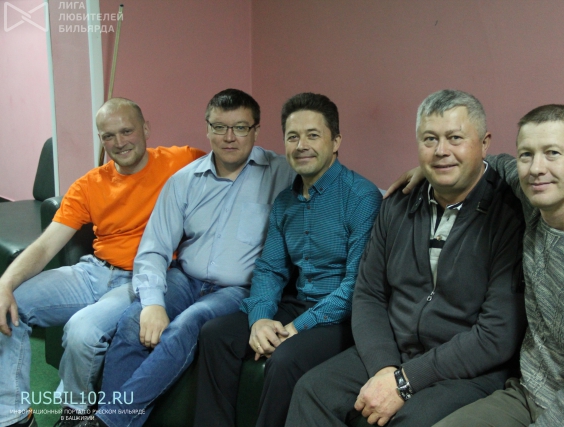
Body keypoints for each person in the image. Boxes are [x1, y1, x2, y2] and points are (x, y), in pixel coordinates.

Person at [286, 89, 527, 427]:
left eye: (455, 138)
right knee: (313, 391)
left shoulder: (511, 214)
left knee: (411, 422)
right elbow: (368, 293)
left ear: (484, 143)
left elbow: (496, 335)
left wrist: (405, 381)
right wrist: (384, 368)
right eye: (430, 139)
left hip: (467, 369)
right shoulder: (398, 203)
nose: (441, 150)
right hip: (394, 352)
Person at [81, 89, 296, 427]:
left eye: (240, 127)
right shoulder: (184, 180)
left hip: (238, 289)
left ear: (256, 130)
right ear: (207, 128)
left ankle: (107, 421)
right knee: (132, 323)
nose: (229, 137)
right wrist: (153, 303)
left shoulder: (283, 173)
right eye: (219, 127)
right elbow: (154, 249)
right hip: (184, 277)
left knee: (187, 325)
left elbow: (334, 181)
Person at [0, 98, 204, 427]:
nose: (119, 142)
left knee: (82, 331)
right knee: (10, 305)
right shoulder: (90, 184)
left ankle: (75, 412)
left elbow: (233, 161)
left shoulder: (181, 160)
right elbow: (46, 245)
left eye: (127, 131)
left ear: (146, 129)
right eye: (108, 136)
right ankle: (13, 417)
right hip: (94, 271)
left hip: (141, 280)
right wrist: (5, 283)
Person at [432, 104, 564, 426]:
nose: (536, 168)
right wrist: (432, 175)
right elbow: (496, 162)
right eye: (527, 154)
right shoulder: (537, 203)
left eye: (553, 153)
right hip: (529, 393)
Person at [192, 92, 383, 427]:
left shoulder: (361, 197)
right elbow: (270, 269)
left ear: (336, 141)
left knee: (284, 358)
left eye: (313, 135)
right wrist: (260, 320)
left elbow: (356, 286)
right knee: (214, 334)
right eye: (292, 137)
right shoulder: (285, 201)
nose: (301, 145)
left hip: (344, 318)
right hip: (297, 303)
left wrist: (298, 328)